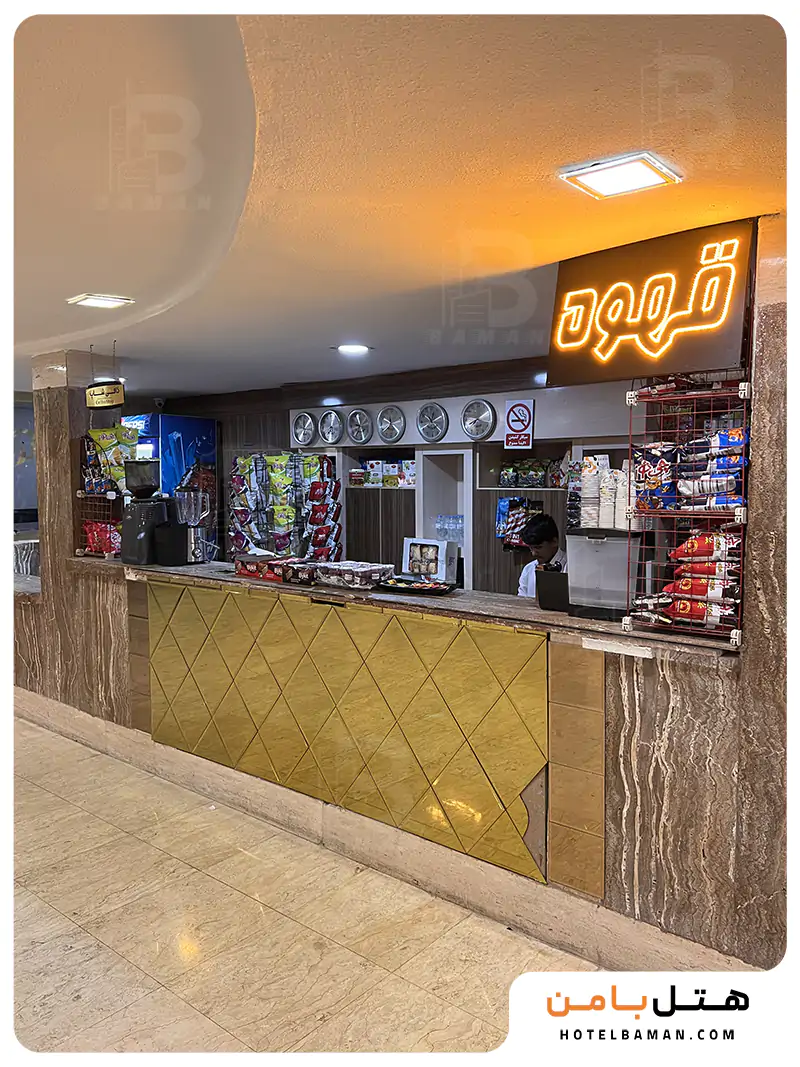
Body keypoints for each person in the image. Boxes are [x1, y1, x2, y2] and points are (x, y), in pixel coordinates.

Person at [517, 513, 567, 598]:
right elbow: (521, 602)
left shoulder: (571, 568)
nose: (533, 553)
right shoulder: (528, 570)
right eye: (531, 548)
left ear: (554, 542)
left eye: (538, 547)